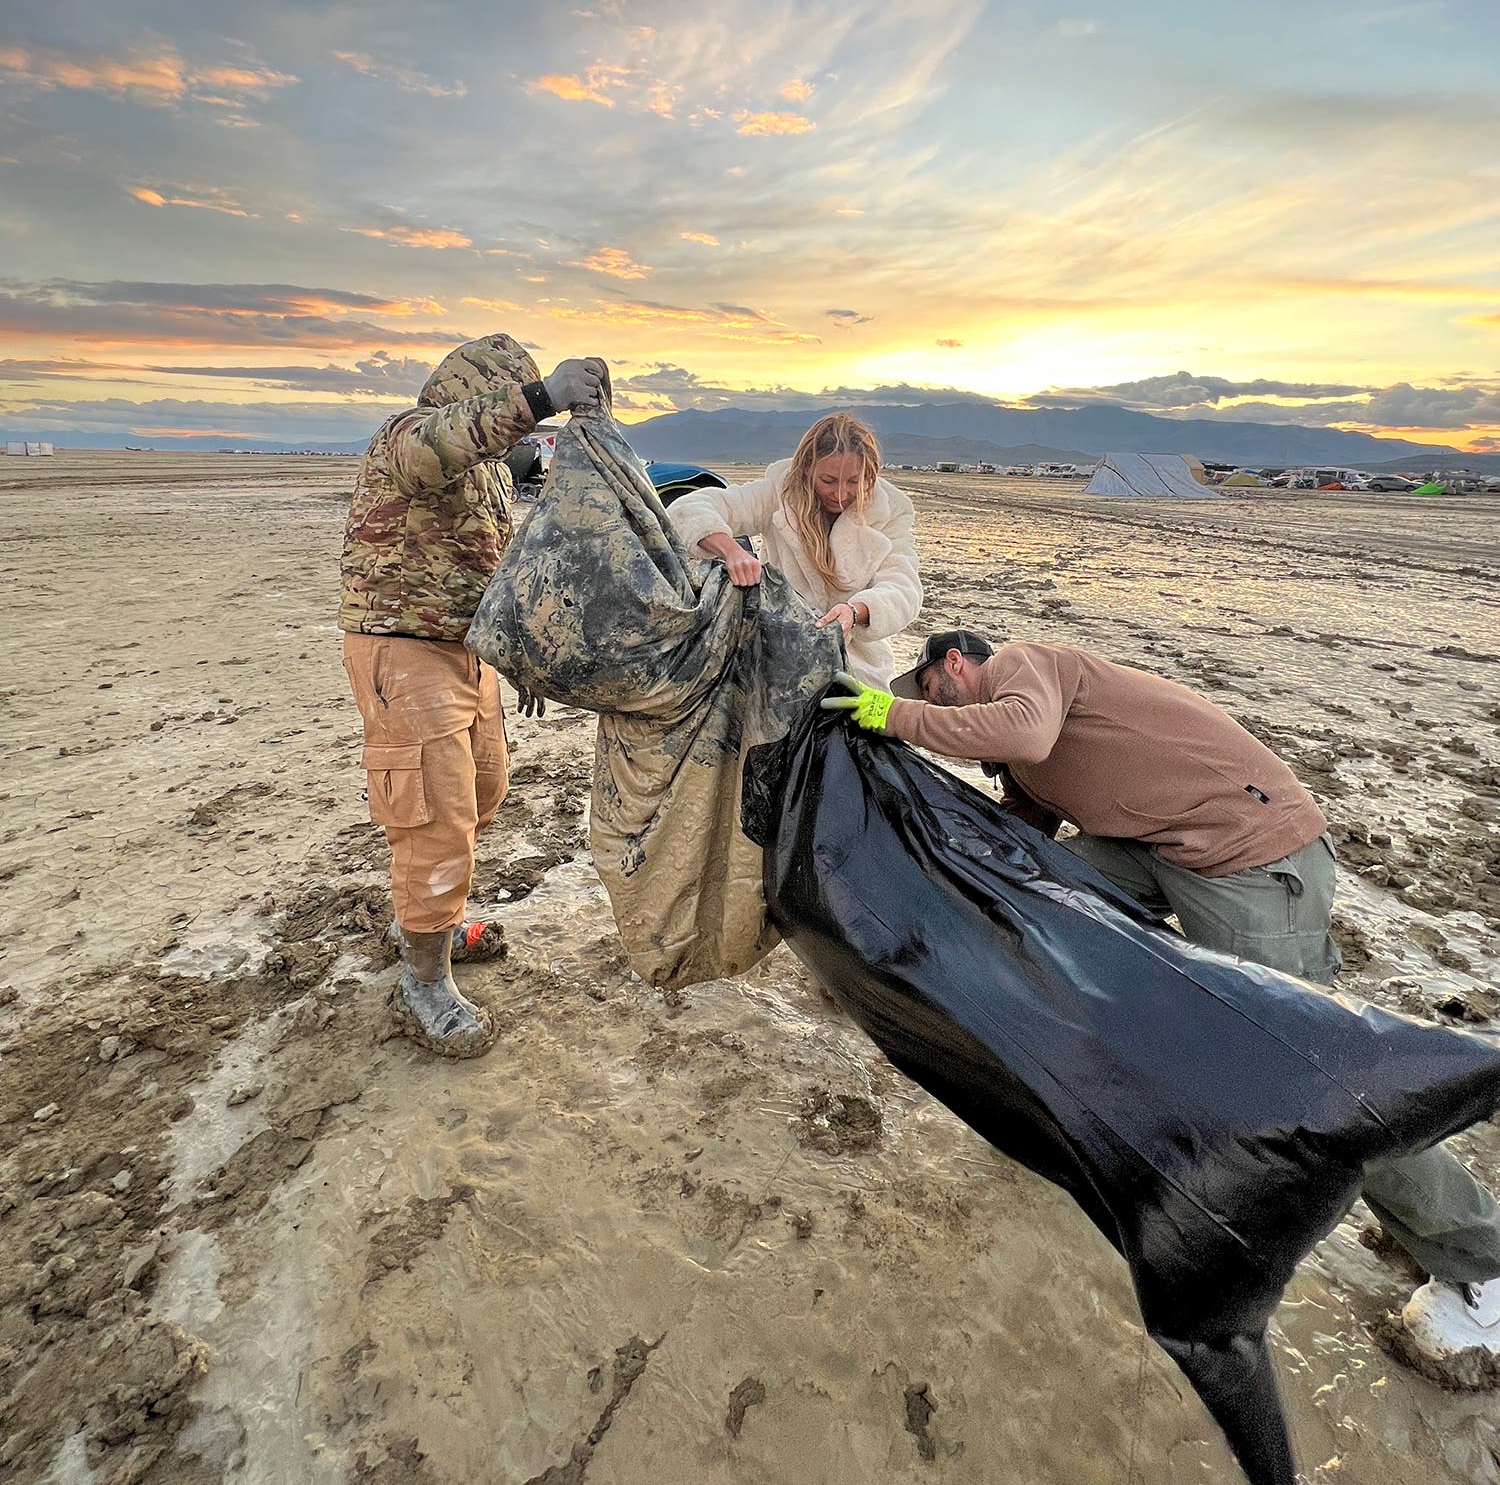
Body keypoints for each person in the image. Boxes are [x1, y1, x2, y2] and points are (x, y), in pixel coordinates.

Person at [823, 630, 1500, 1365]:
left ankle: (1482, 1264)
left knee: (1320, 1083)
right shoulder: (1022, 761)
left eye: (929, 692)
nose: (933, 709)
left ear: (953, 666)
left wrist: (893, 717)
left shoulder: (1025, 667)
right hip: (1165, 849)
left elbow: (1023, 726)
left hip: (1250, 854)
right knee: (1040, 892)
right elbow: (1020, 840)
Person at [340, 334, 605, 1058]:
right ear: (476, 392)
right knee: (435, 813)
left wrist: (519, 658)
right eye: (509, 401)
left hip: (467, 652)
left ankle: (434, 917)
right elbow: (444, 444)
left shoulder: (487, 476)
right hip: (403, 646)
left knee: (484, 790)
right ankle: (423, 978)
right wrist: (542, 399)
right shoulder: (408, 437)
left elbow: (499, 571)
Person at [666, 413, 921, 689]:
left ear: (870, 476)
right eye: (828, 480)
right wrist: (731, 550)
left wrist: (855, 612)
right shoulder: (779, 494)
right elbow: (688, 510)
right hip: (778, 660)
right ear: (807, 469)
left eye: (853, 482)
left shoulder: (891, 511)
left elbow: (903, 587)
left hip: (859, 667)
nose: (840, 494)